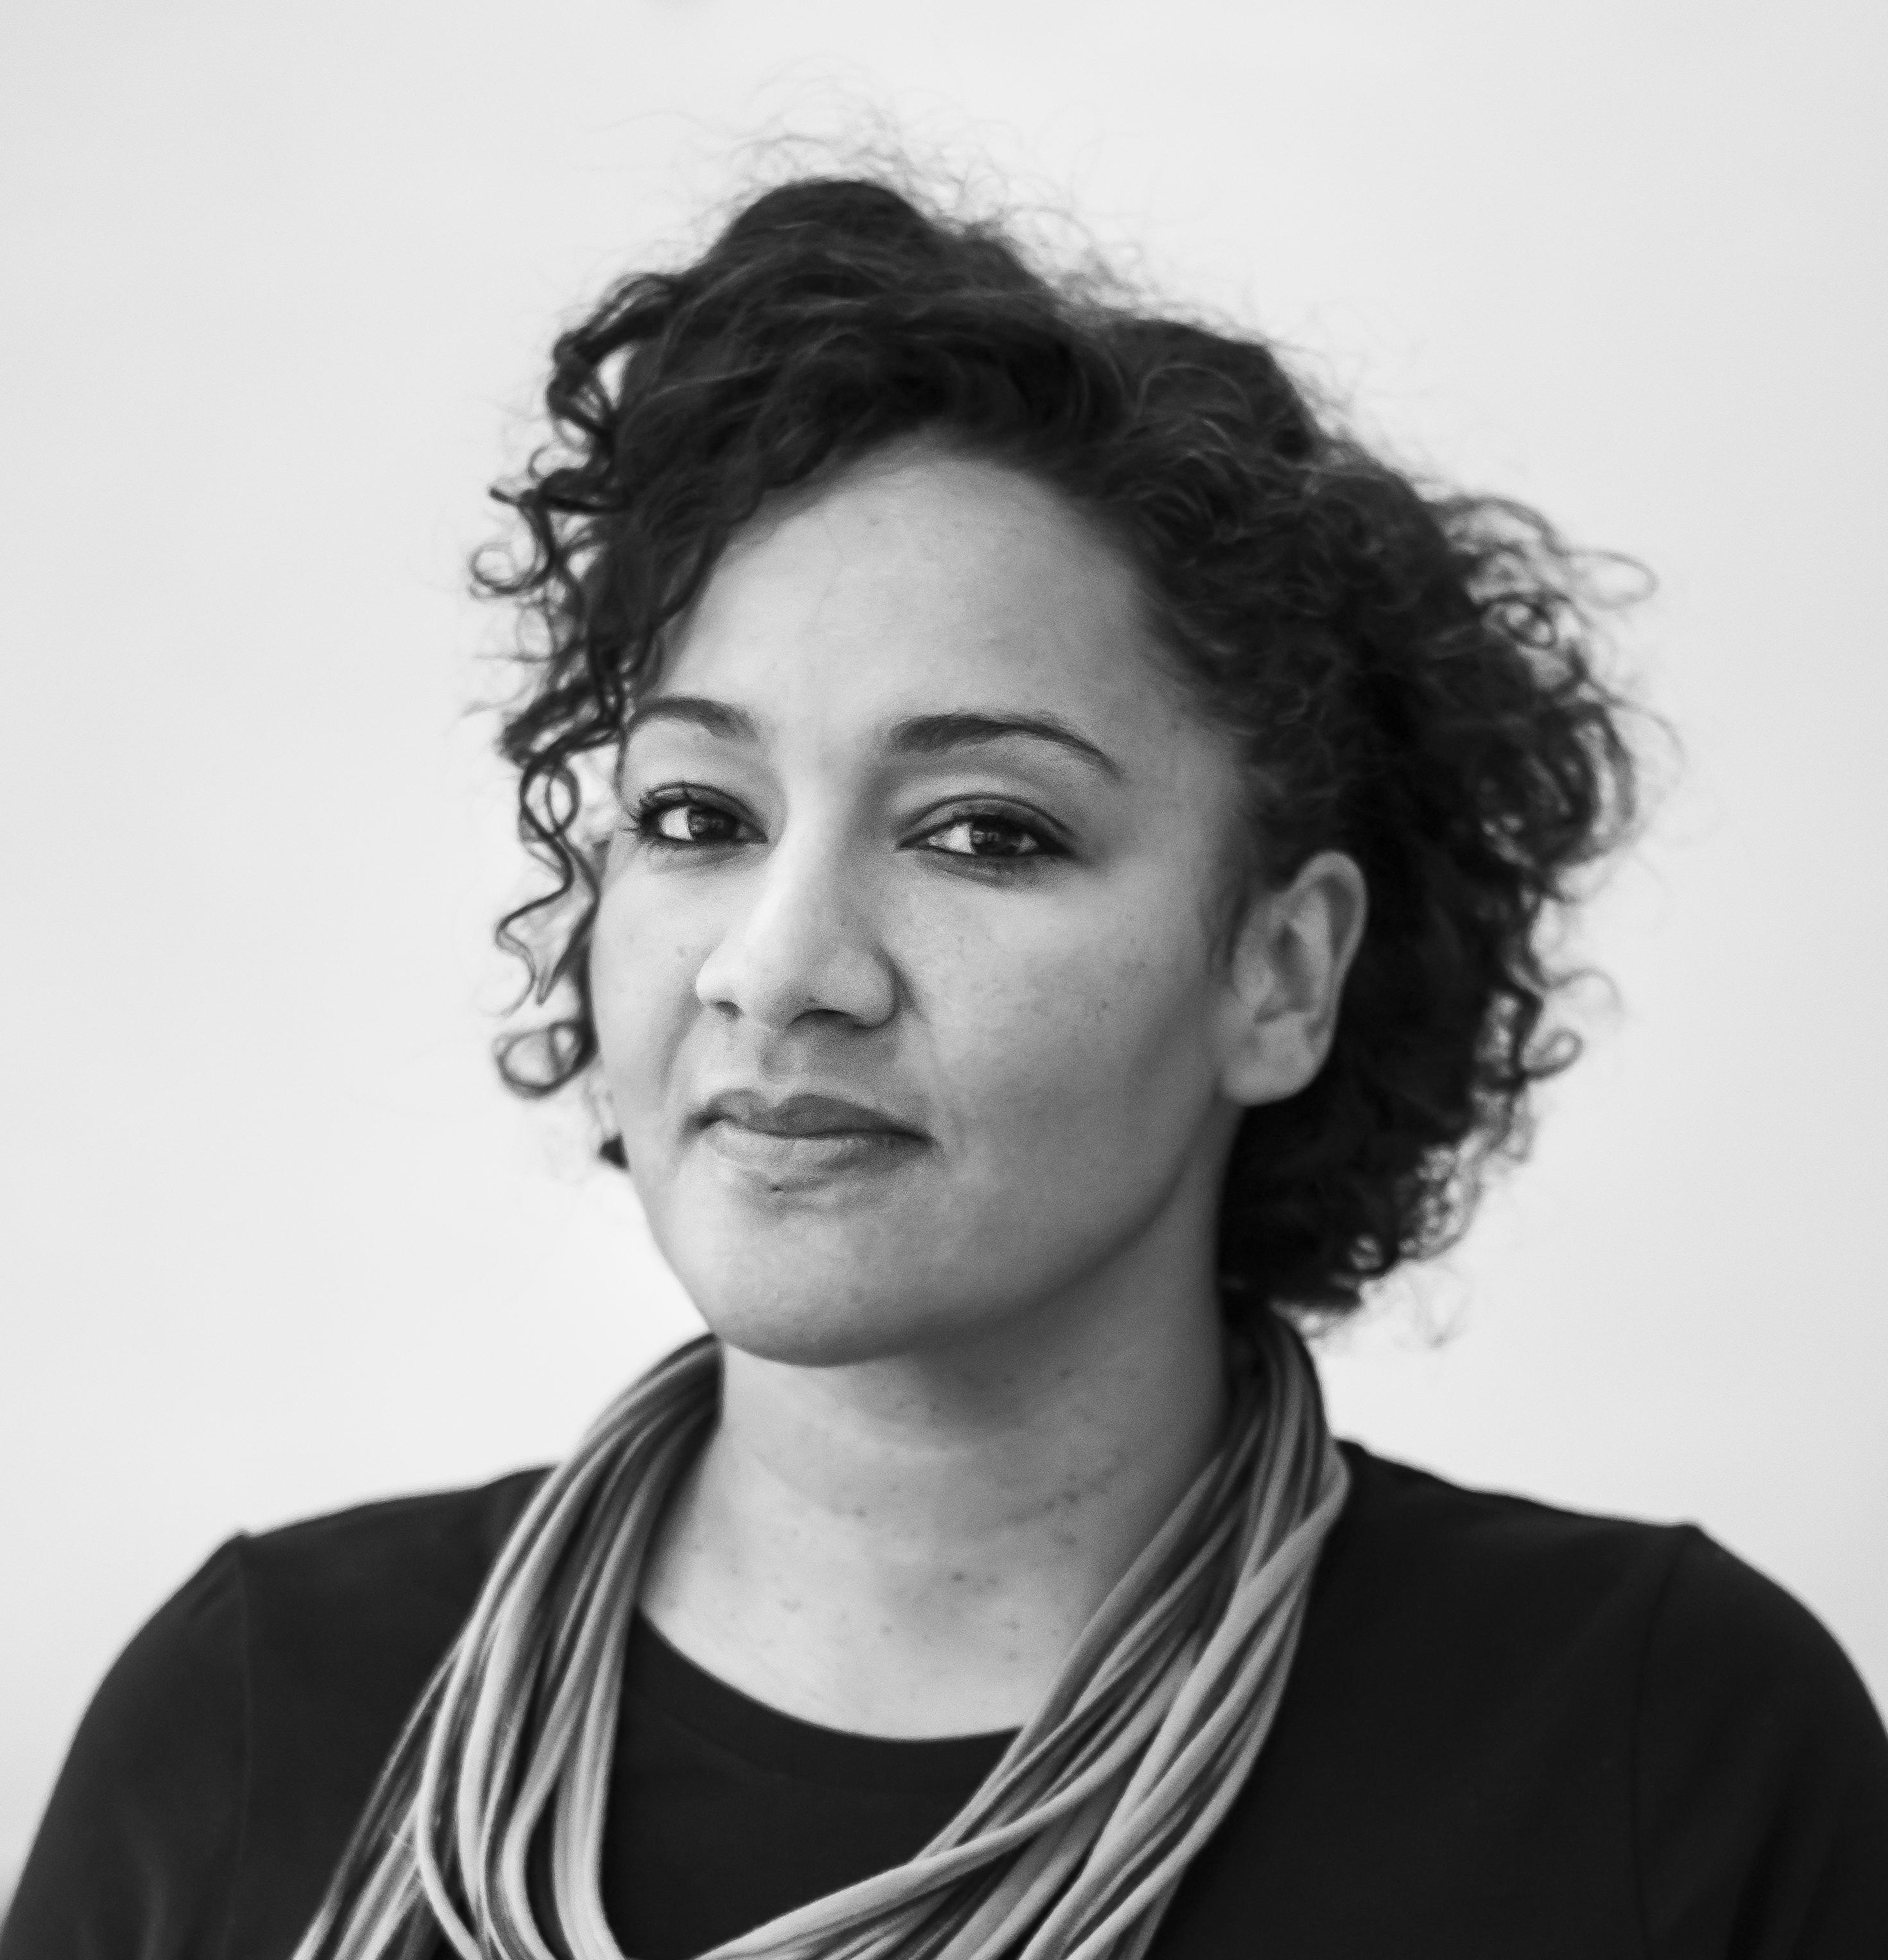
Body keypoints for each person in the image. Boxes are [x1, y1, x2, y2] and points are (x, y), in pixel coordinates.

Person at [6, 173, 1884, 1960]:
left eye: (985, 831)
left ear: (1281, 971)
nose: (781, 967)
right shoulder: (261, 1716)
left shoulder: (1663, 1756)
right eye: (695, 811)